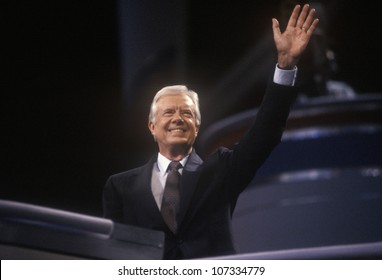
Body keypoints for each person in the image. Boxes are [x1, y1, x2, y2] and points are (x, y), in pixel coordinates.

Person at [103, 4, 319, 259]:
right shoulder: (120, 187)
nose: (178, 119)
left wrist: (285, 65)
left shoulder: (221, 171)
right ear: (152, 126)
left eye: (187, 113)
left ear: (197, 126)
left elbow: (265, 133)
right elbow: (113, 255)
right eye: (168, 113)